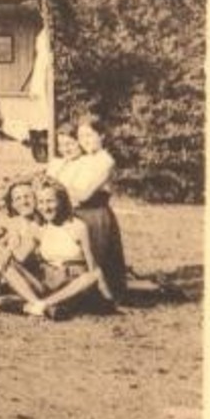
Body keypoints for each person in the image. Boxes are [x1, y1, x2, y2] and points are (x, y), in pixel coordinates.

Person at [3, 182, 113, 318]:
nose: (45, 207)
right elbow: (20, 258)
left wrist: (107, 297)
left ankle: (37, 306)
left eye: (50, 201)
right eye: (41, 202)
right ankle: (40, 305)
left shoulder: (78, 226)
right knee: (7, 267)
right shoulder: (38, 228)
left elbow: (92, 267)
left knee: (92, 276)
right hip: (48, 282)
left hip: (73, 283)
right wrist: (11, 245)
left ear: (62, 201)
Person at [57, 119, 129, 305]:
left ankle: (106, 294)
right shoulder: (84, 159)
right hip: (78, 213)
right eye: (81, 136)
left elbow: (85, 194)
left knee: (97, 257)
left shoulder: (106, 161)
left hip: (96, 215)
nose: (85, 140)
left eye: (89, 135)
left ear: (102, 136)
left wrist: (58, 189)